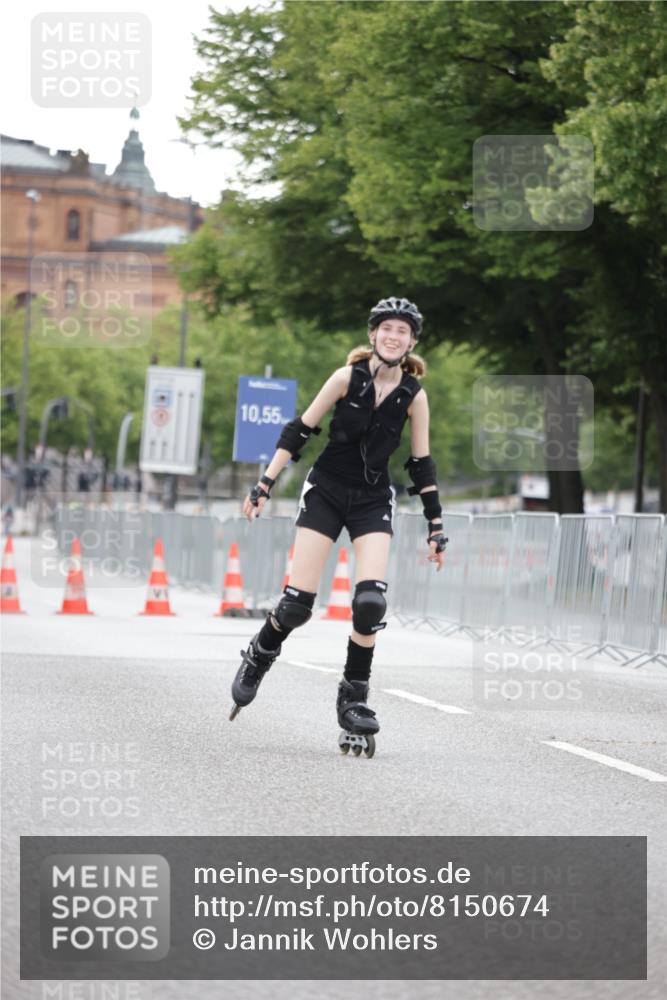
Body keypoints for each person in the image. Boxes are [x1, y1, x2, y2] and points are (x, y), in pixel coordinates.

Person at [229, 297, 448, 755]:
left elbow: (421, 463)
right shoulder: (346, 377)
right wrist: (265, 483)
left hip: (372, 500)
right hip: (326, 491)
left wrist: (436, 524)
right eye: (386, 328)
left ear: (412, 342)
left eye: (402, 331)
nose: (393, 336)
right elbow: (299, 430)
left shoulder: (415, 396)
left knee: (370, 603)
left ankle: (353, 699)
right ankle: (259, 654)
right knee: (296, 606)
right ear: (373, 335)